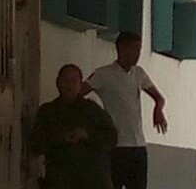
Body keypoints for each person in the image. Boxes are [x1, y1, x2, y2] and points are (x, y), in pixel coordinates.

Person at [82, 31, 168, 189]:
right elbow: (80, 92)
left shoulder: (139, 73)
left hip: (138, 145)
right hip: (116, 146)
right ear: (121, 49)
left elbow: (159, 97)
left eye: (139, 50)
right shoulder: (104, 74)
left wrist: (158, 109)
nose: (137, 54)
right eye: (133, 49)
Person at [30, 63, 118, 189]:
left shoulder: (93, 110)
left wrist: (87, 135)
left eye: (73, 81)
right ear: (57, 82)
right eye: (65, 80)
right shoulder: (48, 111)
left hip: (93, 180)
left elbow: (111, 138)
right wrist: (60, 138)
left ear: (80, 85)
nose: (69, 85)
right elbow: (36, 143)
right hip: (61, 179)